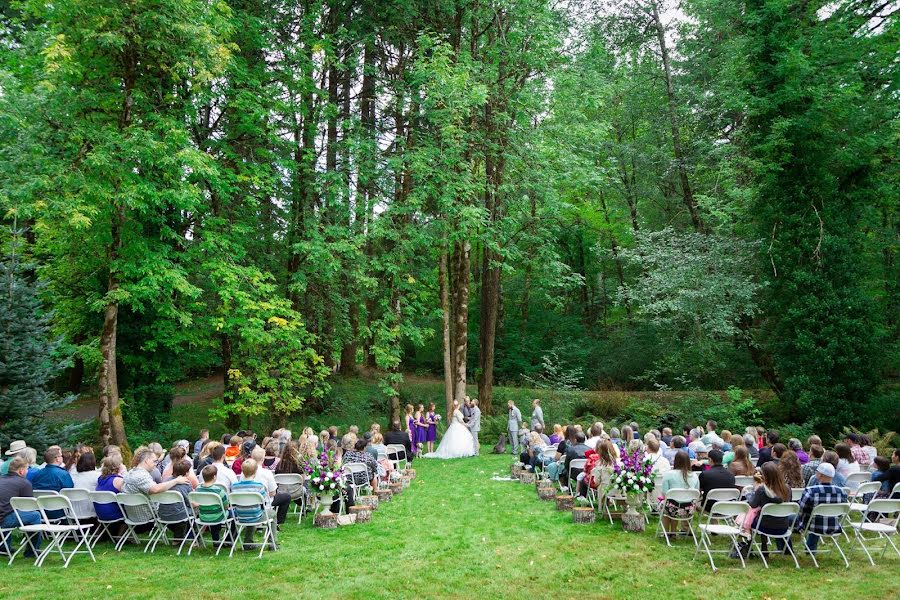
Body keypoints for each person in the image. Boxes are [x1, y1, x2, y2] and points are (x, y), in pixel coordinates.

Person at [123, 448, 191, 524]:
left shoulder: (130, 472)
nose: (156, 464)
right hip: (147, 517)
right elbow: (155, 489)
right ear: (147, 461)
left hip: (132, 516)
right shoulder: (141, 475)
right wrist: (176, 480)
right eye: (154, 461)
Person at [794, 462, 848, 553]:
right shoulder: (842, 492)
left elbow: (801, 508)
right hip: (833, 524)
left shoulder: (811, 491)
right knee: (816, 516)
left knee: (793, 517)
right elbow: (842, 510)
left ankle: (786, 548)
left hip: (813, 525)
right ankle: (810, 549)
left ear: (819, 475)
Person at [0, 457, 41, 556]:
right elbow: (28, 506)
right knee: (35, 515)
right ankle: (32, 551)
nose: (27, 471)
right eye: (27, 469)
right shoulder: (24, 483)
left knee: (7, 510)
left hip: (2, 516)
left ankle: (4, 547)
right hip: (3, 520)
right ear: (21, 471)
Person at [659, 451, 700, 534]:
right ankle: (673, 531)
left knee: (666, 504)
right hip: (689, 510)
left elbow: (664, 493)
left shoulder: (668, 474)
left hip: (672, 508)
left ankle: (667, 532)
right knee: (672, 502)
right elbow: (697, 493)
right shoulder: (694, 476)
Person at [195, 465, 233, 544]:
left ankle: (216, 540)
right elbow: (226, 506)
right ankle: (229, 540)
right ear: (214, 477)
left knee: (215, 513)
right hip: (216, 516)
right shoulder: (219, 491)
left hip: (203, 516)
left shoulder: (198, 490)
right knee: (233, 514)